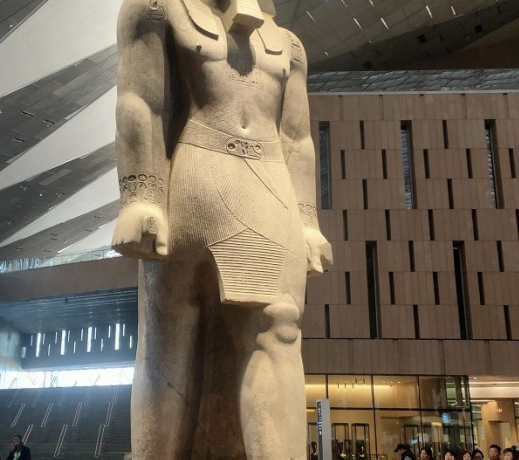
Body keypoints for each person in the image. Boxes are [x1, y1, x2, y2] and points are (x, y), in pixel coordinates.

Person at [112, 0, 333, 458]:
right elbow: (142, 101)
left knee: (280, 326)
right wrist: (141, 193)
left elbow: (296, 138)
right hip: (192, 178)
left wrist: (308, 221)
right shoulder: (155, 9)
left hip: (269, 185)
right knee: (168, 336)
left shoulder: (289, 46)